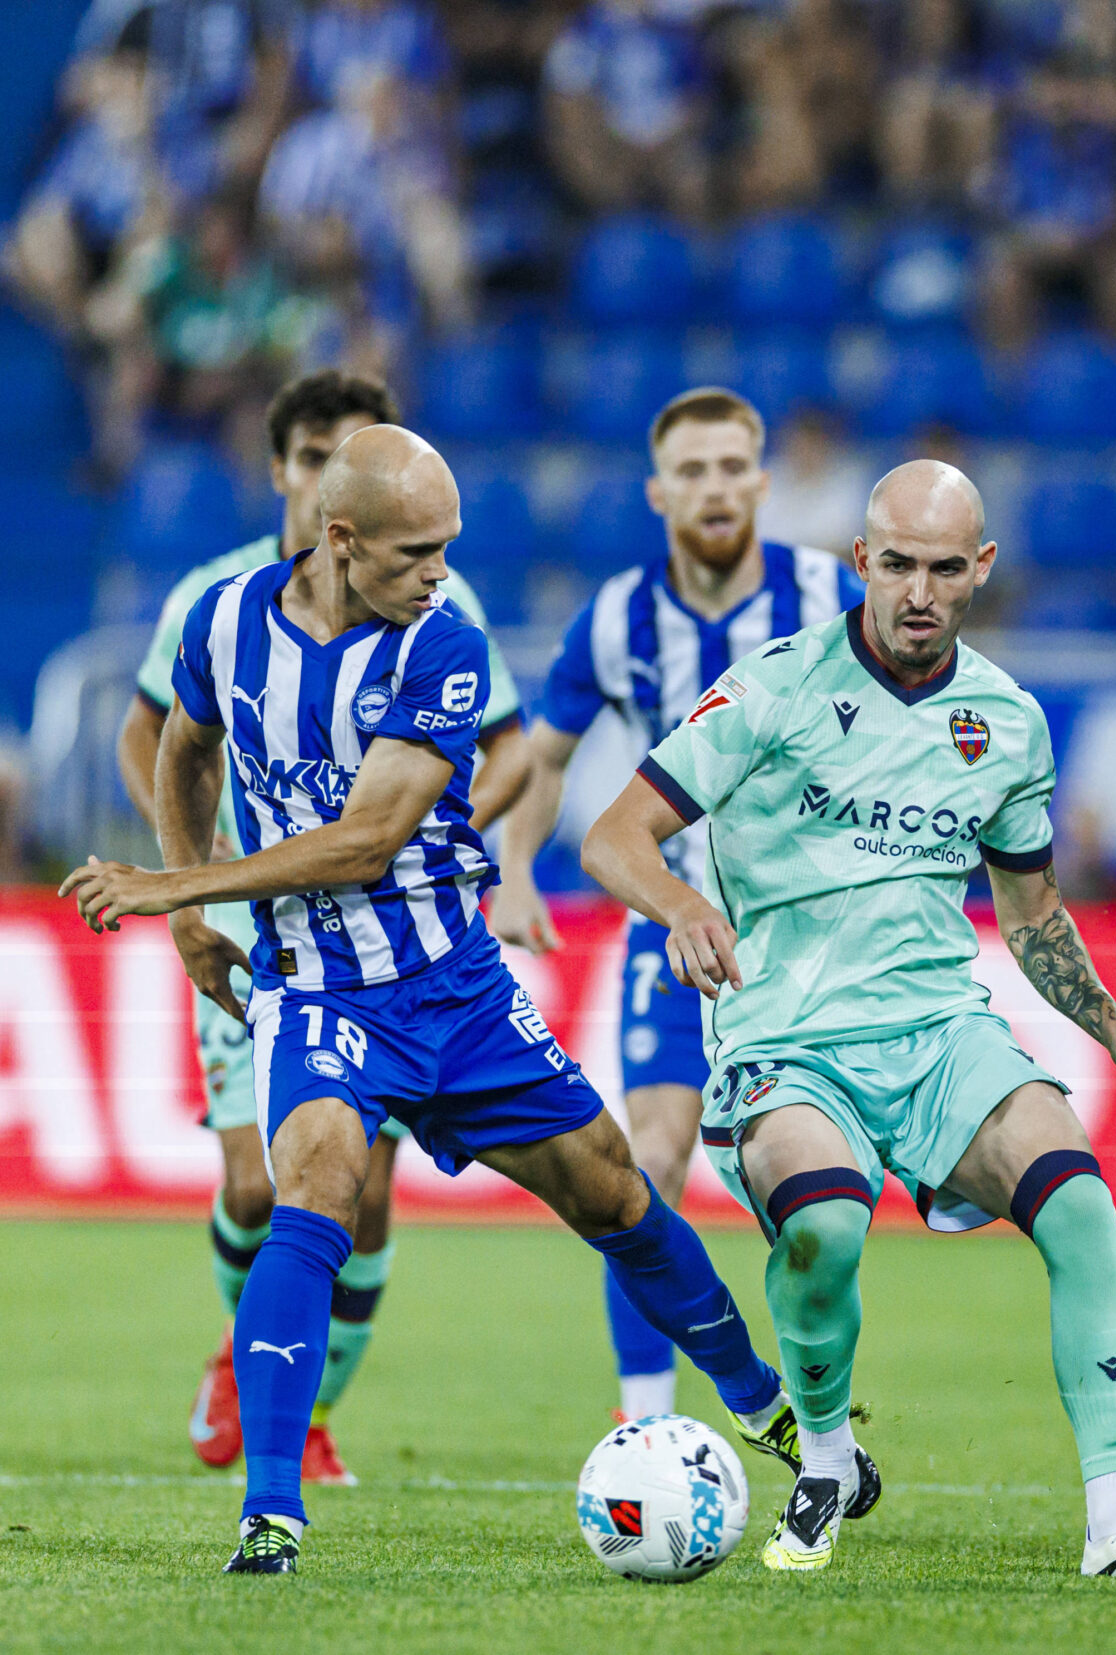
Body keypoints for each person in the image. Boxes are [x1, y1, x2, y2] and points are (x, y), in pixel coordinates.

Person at [65, 425, 809, 1575]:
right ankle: (271, 1511)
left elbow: (366, 840)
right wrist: (188, 903)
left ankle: (764, 1402)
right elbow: (185, 745)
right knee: (311, 1191)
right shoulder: (221, 621)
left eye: (447, 547)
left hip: (455, 989)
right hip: (319, 990)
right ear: (340, 538)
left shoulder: (443, 643)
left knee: (614, 1190)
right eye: (416, 551)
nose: (439, 572)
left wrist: (176, 885)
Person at [581, 460, 1116, 1582]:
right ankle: (825, 1457)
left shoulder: (1006, 722)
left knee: (1080, 1202)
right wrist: (679, 904)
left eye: (945, 568)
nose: (919, 592)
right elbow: (614, 834)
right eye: (899, 564)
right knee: (824, 1224)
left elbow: (1032, 912)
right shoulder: (772, 687)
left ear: (983, 568)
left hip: (938, 1033)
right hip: (787, 1041)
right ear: (862, 560)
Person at [111, 371, 529, 1489]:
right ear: (285, 471)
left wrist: (439, 833)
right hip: (258, 925)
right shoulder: (213, 598)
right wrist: (187, 879)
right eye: (308, 456)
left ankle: (311, 1412)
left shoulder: (436, 605)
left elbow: (512, 746)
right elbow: (154, 736)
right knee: (259, 1188)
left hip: (392, 943)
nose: (319, 477)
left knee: (364, 1197)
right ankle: (242, 1349)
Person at [490, 386, 859, 1426]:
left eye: (732, 466)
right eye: (692, 471)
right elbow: (544, 759)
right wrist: (515, 867)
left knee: (816, 1199)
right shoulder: (617, 617)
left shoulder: (829, 596)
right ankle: (646, 1425)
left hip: (811, 934)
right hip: (675, 924)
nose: (714, 488)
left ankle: (822, 1412)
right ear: (658, 492)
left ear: (762, 481)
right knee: (644, 1163)